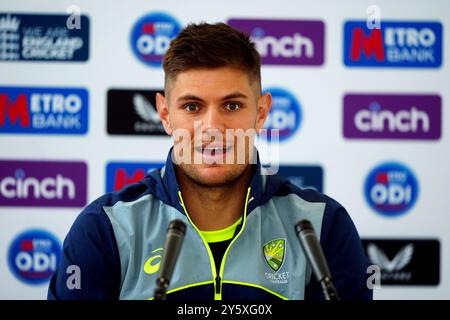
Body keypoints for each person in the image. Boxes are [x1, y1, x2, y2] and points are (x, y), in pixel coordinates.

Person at [47, 22, 372, 300]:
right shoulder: (104, 229)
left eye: (231, 106)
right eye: (192, 107)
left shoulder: (322, 227)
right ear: (165, 115)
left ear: (260, 112)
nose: (213, 128)